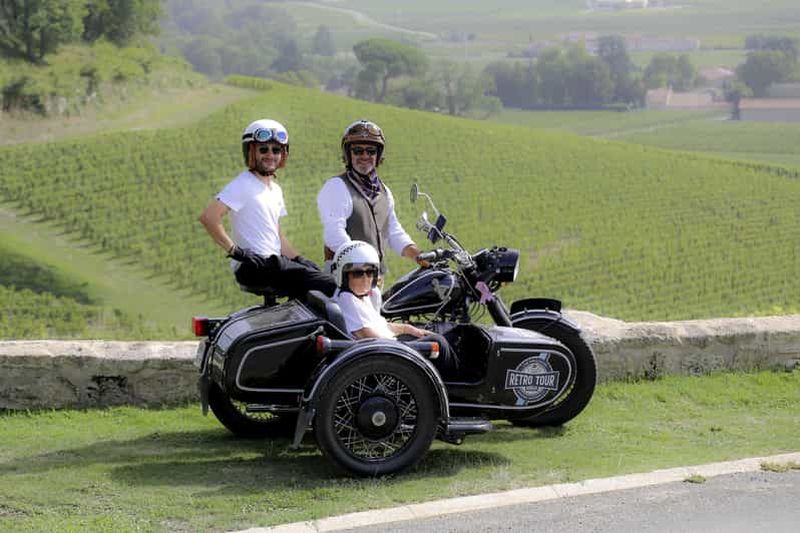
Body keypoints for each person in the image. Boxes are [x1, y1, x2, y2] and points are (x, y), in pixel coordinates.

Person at [199, 118, 336, 300]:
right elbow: (209, 217)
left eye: (276, 150)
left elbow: (277, 235)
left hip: (272, 264)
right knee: (332, 285)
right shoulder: (243, 184)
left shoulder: (275, 190)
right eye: (263, 149)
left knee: (313, 286)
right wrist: (236, 252)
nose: (270, 155)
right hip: (254, 266)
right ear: (251, 152)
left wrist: (298, 259)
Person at [331, 241, 459, 379]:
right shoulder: (348, 301)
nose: (365, 278)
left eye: (370, 272)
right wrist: (402, 343)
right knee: (438, 342)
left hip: (387, 348)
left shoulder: (359, 296)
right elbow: (370, 337)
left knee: (442, 334)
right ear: (343, 275)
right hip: (384, 356)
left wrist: (408, 329)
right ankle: (455, 383)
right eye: (358, 273)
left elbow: (380, 326)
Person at [317, 119, 424, 275]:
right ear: (348, 154)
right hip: (343, 278)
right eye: (358, 151)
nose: (365, 156)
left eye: (371, 151)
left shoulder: (384, 192)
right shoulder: (336, 187)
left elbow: (394, 233)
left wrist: (420, 256)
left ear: (378, 155)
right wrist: (362, 263)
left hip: (371, 279)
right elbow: (333, 234)